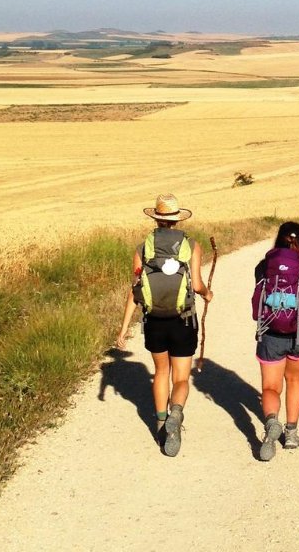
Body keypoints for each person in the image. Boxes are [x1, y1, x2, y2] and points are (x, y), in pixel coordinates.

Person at [116, 193, 213, 457]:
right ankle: (176, 414)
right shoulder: (191, 245)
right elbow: (196, 285)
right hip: (183, 319)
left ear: (156, 219)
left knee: (161, 373)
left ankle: (161, 426)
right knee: (180, 377)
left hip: (154, 320)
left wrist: (124, 328)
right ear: (176, 219)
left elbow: (135, 291)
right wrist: (206, 294)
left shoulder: (142, 249)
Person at [252, 221, 299, 461]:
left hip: (271, 334)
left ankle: (272, 422)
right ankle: (292, 433)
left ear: (279, 239)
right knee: (295, 380)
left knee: (270, 388)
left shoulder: (264, 266)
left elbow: (260, 298)